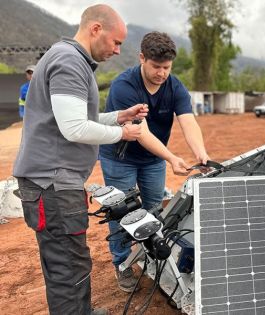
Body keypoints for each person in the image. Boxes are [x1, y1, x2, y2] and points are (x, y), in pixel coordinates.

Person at [12, 4, 148, 315]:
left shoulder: (67, 58)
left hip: (52, 182)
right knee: (68, 266)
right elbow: (74, 128)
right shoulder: (70, 61)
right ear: (96, 29)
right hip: (53, 184)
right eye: (116, 42)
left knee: (67, 262)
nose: (117, 51)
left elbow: (74, 118)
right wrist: (124, 134)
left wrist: (117, 118)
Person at [98, 31, 209, 292]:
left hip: (153, 159)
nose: (161, 73)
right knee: (123, 212)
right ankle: (122, 264)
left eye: (166, 68)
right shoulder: (124, 86)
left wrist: (201, 153)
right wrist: (171, 157)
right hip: (120, 157)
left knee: (153, 210)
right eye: (156, 66)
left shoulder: (175, 86)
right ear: (142, 58)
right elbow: (142, 133)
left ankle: (148, 257)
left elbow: (188, 121)